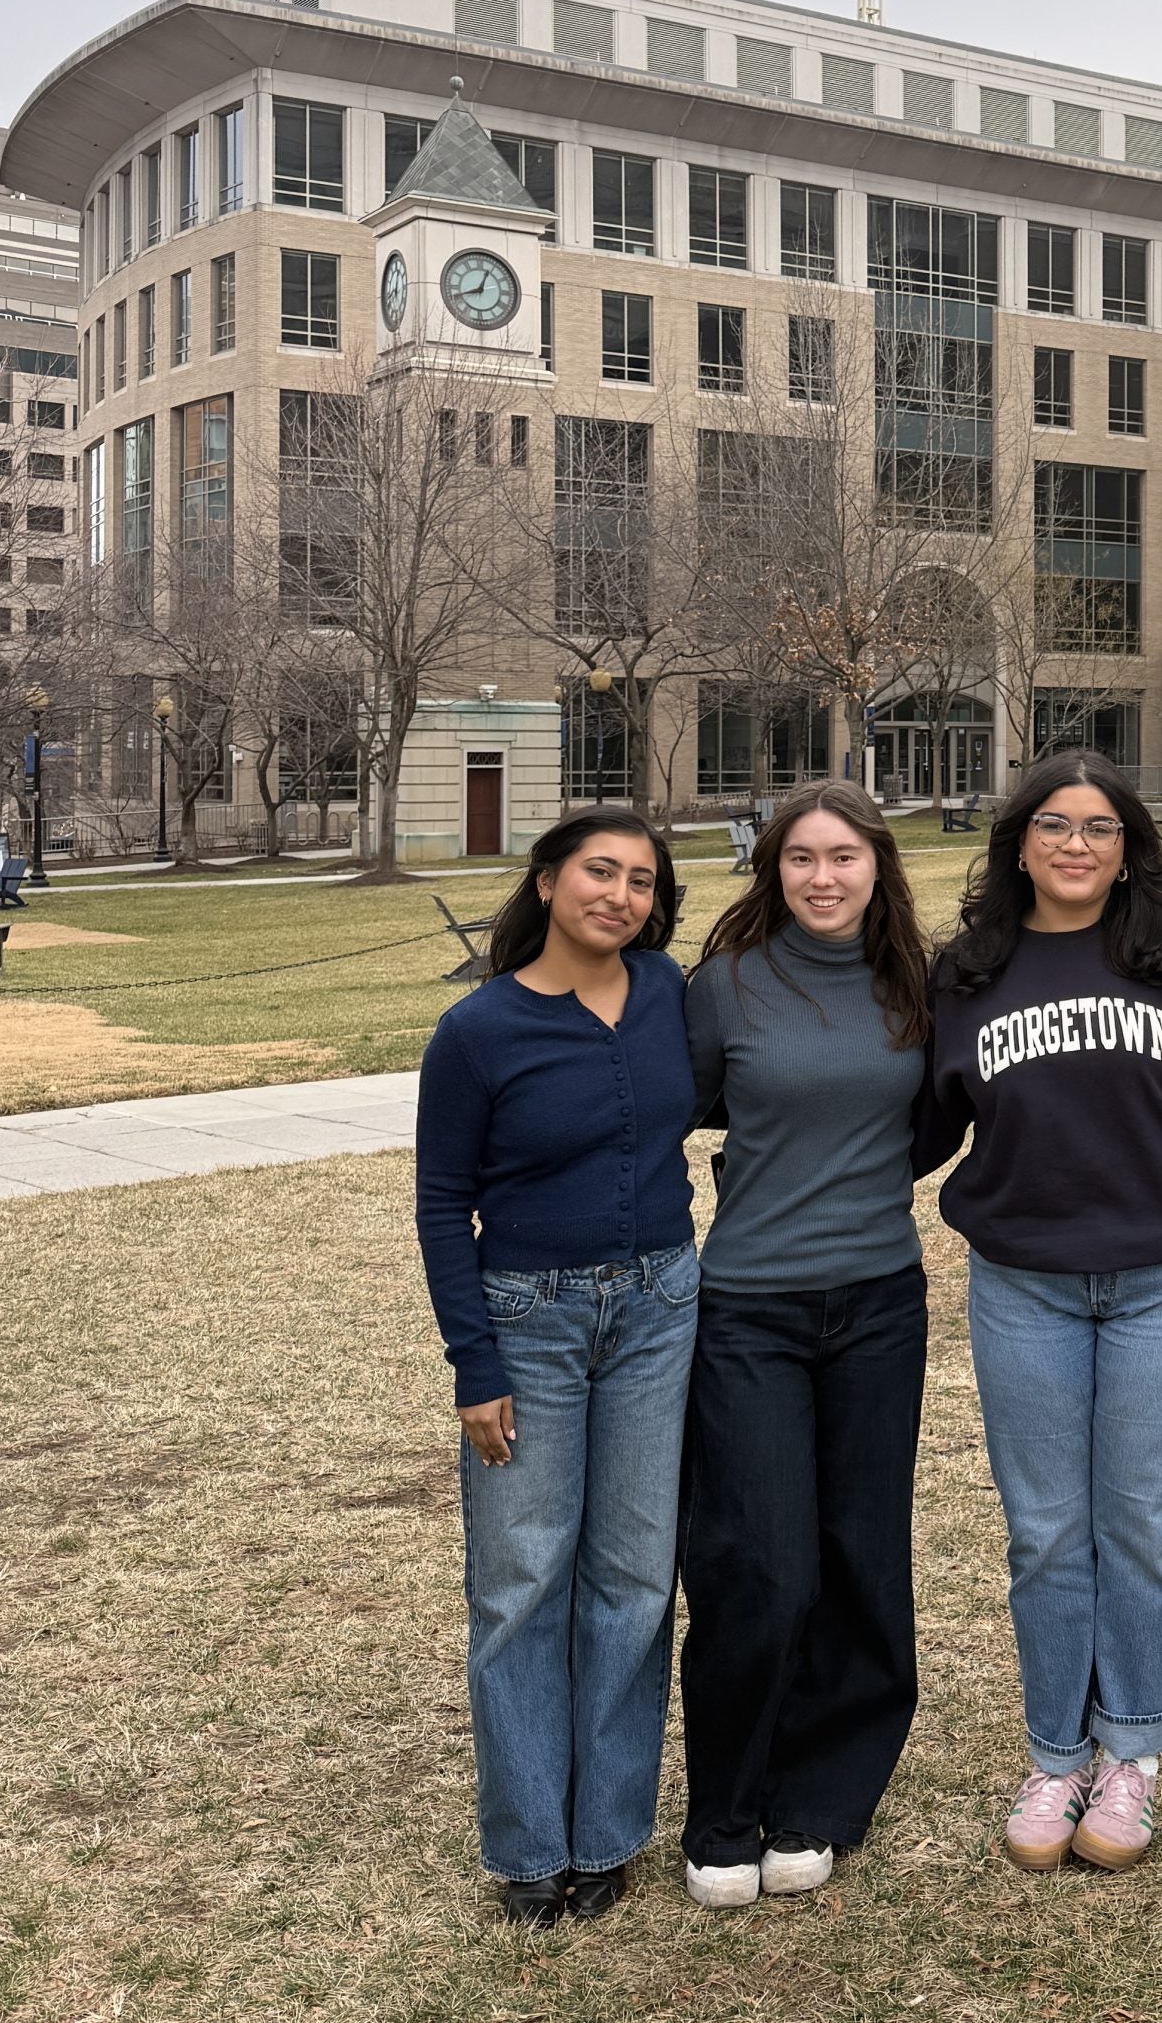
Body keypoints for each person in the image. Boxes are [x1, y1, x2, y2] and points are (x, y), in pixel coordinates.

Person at [914, 751, 1162, 1876]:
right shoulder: (964, 972)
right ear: (1018, 842)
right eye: (1053, 824)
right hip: (1024, 1282)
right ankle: (1056, 1751)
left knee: (1148, 1519)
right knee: (1046, 1528)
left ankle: (1133, 1755)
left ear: (1128, 845)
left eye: (1099, 827)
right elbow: (917, 1125)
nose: (1074, 843)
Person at [413, 810, 699, 1929]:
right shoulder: (478, 1030)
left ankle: (609, 1832)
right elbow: (444, 1202)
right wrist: (471, 1363)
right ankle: (532, 1842)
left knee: (632, 1576)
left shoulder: (669, 990)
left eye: (640, 880)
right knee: (522, 1580)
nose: (619, 893)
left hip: (662, 1304)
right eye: (599, 870)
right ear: (546, 880)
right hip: (526, 1317)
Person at [677, 782, 932, 1910]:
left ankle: (821, 1796)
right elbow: (664, 1114)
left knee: (862, 1559)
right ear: (770, 869)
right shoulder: (724, 985)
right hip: (749, 1311)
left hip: (880, 1303)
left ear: (879, 866)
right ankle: (726, 1807)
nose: (822, 877)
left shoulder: (913, 983)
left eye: (843, 857)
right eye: (799, 859)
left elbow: (935, 1121)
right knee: (759, 1566)